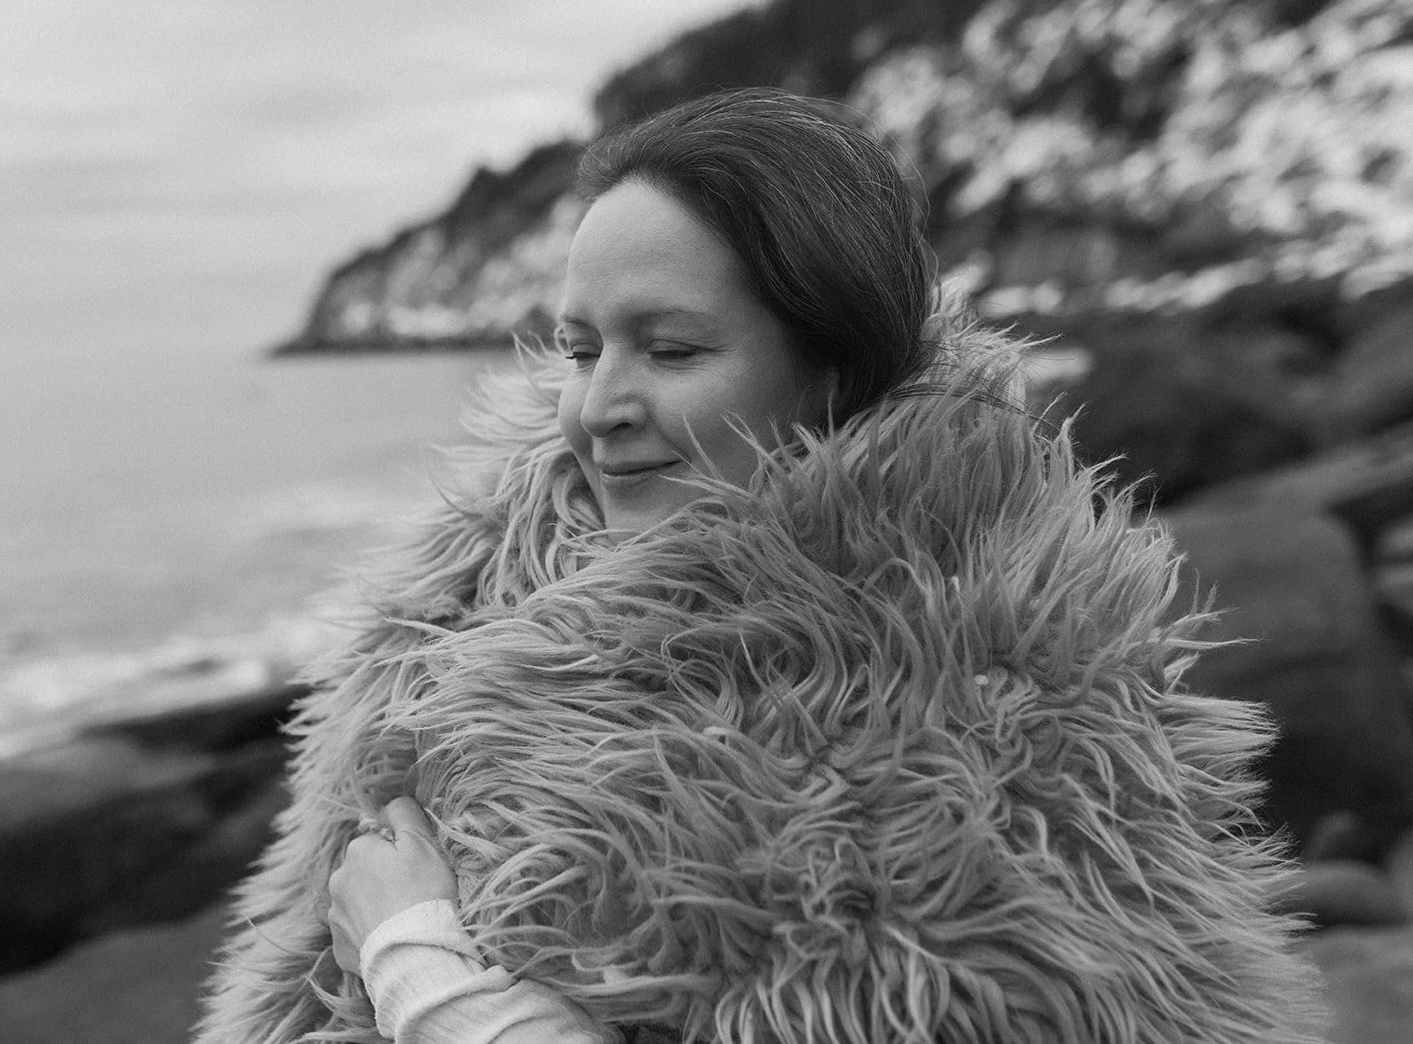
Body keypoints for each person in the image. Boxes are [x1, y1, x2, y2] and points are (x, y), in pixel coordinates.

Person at [195, 89, 1326, 1044]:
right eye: (580, 348)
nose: (598, 409)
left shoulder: (975, 715)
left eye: (672, 349)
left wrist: (424, 974)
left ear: (832, 370)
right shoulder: (463, 602)